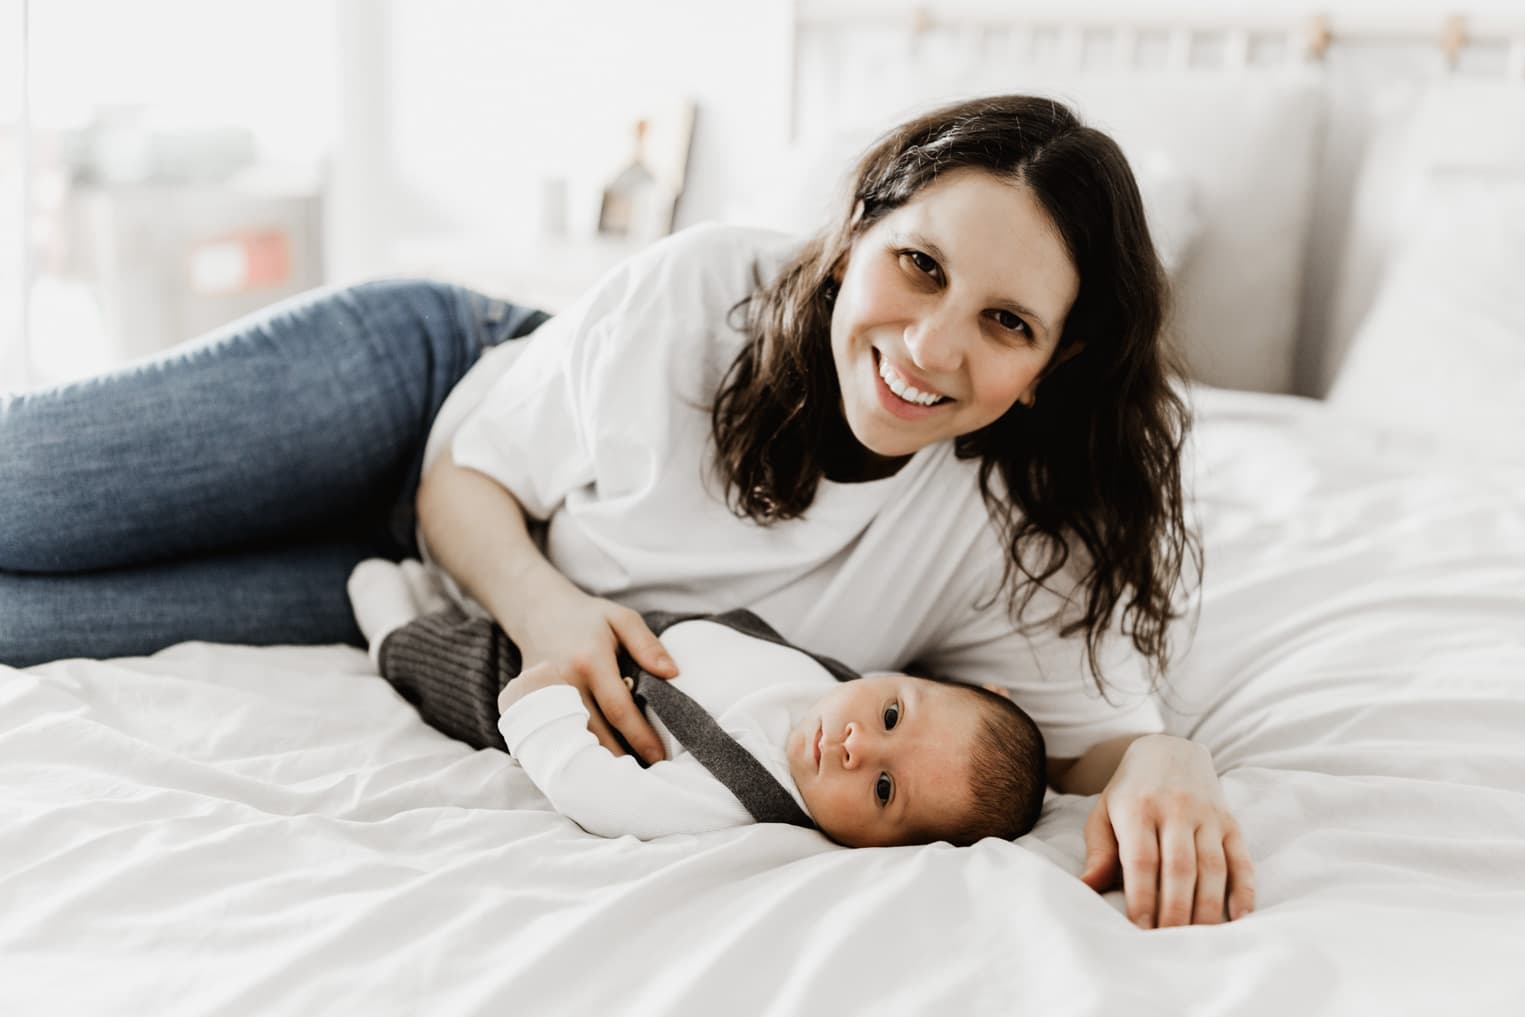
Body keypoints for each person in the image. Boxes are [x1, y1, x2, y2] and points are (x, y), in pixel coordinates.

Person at [0, 95, 1253, 928]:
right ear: (858, 227)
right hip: (433, 419)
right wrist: (554, 616)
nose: (927, 347)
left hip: (433, 605)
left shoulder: (1008, 528)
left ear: (1054, 364)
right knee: (25, 500)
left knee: (27, 621)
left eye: (1004, 323)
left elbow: (1088, 734)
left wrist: (1174, 767)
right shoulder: (708, 289)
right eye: (918, 265)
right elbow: (462, 483)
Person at [347, 557, 1048, 847]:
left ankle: (387, 629)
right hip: (602, 620)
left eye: (884, 788)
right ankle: (435, 585)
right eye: (892, 714)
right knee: (480, 594)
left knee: (434, 653)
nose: (856, 745)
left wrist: (539, 715)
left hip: (545, 689)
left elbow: (606, 796)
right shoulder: (836, 679)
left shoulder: (748, 793)